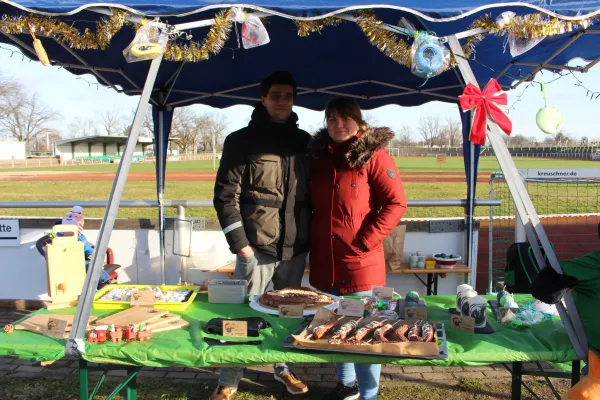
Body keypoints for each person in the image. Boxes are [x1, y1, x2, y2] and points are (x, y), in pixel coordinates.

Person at [212, 71, 311, 400]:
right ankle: (229, 378)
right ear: (263, 98)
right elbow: (225, 197)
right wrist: (240, 244)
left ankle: (284, 368)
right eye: (276, 95)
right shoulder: (241, 141)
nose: (282, 101)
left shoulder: (305, 143)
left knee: (290, 314)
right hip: (256, 249)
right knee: (245, 314)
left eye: (288, 96)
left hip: (295, 250)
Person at [307, 97, 407, 400]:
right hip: (326, 265)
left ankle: (369, 394)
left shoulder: (375, 157)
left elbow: (396, 203)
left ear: (359, 123)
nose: (338, 125)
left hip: (361, 265)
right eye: (332, 119)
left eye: (345, 119)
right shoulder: (319, 157)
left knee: (364, 334)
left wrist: (365, 241)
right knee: (335, 329)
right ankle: (346, 384)